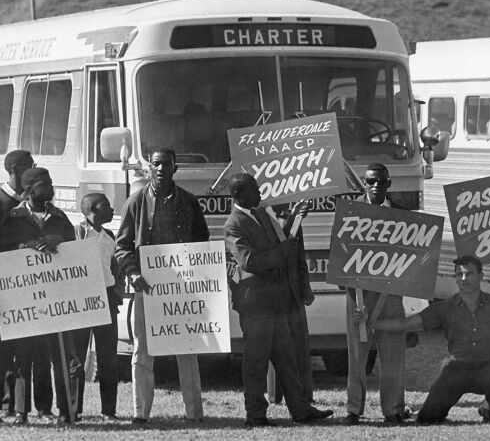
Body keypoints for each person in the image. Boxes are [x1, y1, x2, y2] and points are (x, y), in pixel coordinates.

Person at [370, 255, 490, 424]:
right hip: (455, 372)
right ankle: (427, 410)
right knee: (427, 418)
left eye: (469, 274)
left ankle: (488, 407)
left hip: (487, 370)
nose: (463, 278)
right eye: (459, 274)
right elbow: (406, 324)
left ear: (481, 276)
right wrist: (372, 323)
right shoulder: (445, 308)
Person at [224, 172, 333, 426]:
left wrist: (294, 219)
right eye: (254, 189)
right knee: (256, 361)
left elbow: (280, 240)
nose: (260, 193)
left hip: (275, 301)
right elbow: (249, 262)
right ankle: (255, 415)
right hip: (255, 305)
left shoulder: (260, 213)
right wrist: (280, 252)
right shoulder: (233, 224)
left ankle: (301, 410)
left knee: (287, 358)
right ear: (239, 195)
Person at [115, 147, 208, 424]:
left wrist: (201, 275)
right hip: (148, 286)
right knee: (142, 351)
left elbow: (202, 242)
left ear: (175, 167)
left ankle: (195, 413)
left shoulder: (190, 202)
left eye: (166, 164)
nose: (160, 169)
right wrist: (133, 274)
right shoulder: (136, 202)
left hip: (182, 288)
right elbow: (122, 247)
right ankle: (140, 414)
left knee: (188, 348)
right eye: (156, 164)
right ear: (149, 168)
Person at [0, 167, 81, 425]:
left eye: (52, 183)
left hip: (55, 300)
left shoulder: (59, 217)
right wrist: (24, 247)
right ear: (30, 190)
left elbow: (76, 251)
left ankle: (59, 410)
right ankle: (21, 412)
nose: (51, 188)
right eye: (45, 185)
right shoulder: (13, 218)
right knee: (24, 358)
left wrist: (60, 240)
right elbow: (0, 252)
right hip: (26, 301)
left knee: (57, 356)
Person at [0, 151, 56, 424]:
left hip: (35, 293)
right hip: (1, 292)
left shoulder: (46, 210)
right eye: (28, 166)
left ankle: (34, 407)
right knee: (0, 353)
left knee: (34, 353)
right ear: (14, 169)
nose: (32, 170)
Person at [340, 163, 410, 425]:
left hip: (391, 295)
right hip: (358, 295)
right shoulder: (350, 213)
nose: (376, 185)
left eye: (381, 181)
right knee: (356, 355)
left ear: (389, 184)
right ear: (364, 184)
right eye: (371, 181)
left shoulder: (403, 215)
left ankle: (393, 409)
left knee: (393, 352)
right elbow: (340, 253)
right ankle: (353, 409)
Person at [72, 193, 124, 421]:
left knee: (108, 357)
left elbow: (114, 266)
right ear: (93, 208)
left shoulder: (109, 235)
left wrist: (117, 293)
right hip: (83, 300)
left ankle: (108, 411)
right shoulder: (76, 234)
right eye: (106, 205)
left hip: (107, 298)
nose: (112, 209)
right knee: (77, 357)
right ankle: (74, 409)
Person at [270, 201, 315, 404]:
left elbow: (299, 257)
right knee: (276, 346)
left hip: (294, 291)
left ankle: (305, 394)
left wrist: (305, 288)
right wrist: (292, 219)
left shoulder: (294, 217)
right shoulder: (261, 217)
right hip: (271, 292)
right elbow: (277, 247)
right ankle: (276, 395)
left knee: (300, 345)